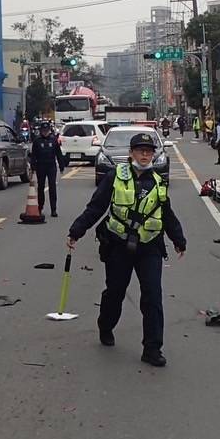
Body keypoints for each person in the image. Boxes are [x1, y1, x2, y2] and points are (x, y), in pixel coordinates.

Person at [67, 131, 185, 367]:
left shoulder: (158, 182)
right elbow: (97, 206)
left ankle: (152, 348)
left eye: (149, 151)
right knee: (115, 292)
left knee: (152, 296)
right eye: (140, 150)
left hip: (149, 247)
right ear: (131, 153)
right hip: (118, 244)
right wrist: (76, 231)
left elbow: (166, 213)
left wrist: (178, 238)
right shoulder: (115, 176)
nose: (144, 154)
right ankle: (106, 325)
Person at [30, 120, 63, 217]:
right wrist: (33, 167)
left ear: (49, 130)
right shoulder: (37, 141)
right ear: (41, 131)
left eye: (47, 130)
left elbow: (58, 153)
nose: (45, 132)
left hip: (51, 166)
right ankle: (40, 207)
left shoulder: (53, 140)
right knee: (41, 187)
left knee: (52, 187)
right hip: (41, 166)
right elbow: (33, 155)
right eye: (43, 130)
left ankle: (54, 209)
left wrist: (61, 165)